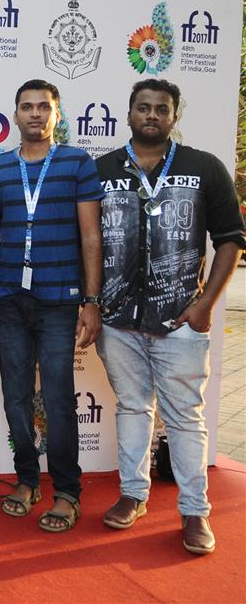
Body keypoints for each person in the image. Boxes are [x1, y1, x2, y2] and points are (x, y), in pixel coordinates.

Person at [95, 79, 245, 555]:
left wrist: (204, 306)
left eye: (162, 108)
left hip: (180, 319)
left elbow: (231, 238)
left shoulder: (204, 168)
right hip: (118, 321)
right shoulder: (101, 170)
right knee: (133, 409)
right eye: (144, 107)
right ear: (130, 113)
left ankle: (195, 512)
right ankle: (133, 495)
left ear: (174, 116)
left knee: (185, 418)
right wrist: (93, 305)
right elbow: (89, 242)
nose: (152, 115)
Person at [0, 79, 103, 533]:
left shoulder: (77, 163)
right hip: (9, 298)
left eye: (43, 107)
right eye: (26, 107)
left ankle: (67, 492)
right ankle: (27, 480)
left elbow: (91, 236)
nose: (35, 114)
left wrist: (91, 300)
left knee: (57, 398)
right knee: (15, 396)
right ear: (15, 115)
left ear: (56, 113)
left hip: (58, 300)